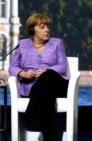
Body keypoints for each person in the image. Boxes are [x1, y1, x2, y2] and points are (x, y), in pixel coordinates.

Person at [8, 13, 69, 141]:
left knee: (49, 75)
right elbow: (12, 67)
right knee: (47, 95)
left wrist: (46, 71)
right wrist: (22, 73)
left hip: (58, 84)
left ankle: (31, 109)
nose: (46, 30)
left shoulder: (56, 43)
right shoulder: (22, 45)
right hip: (34, 88)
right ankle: (48, 138)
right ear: (32, 29)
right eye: (42, 27)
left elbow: (62, 66)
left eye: (47, 27)